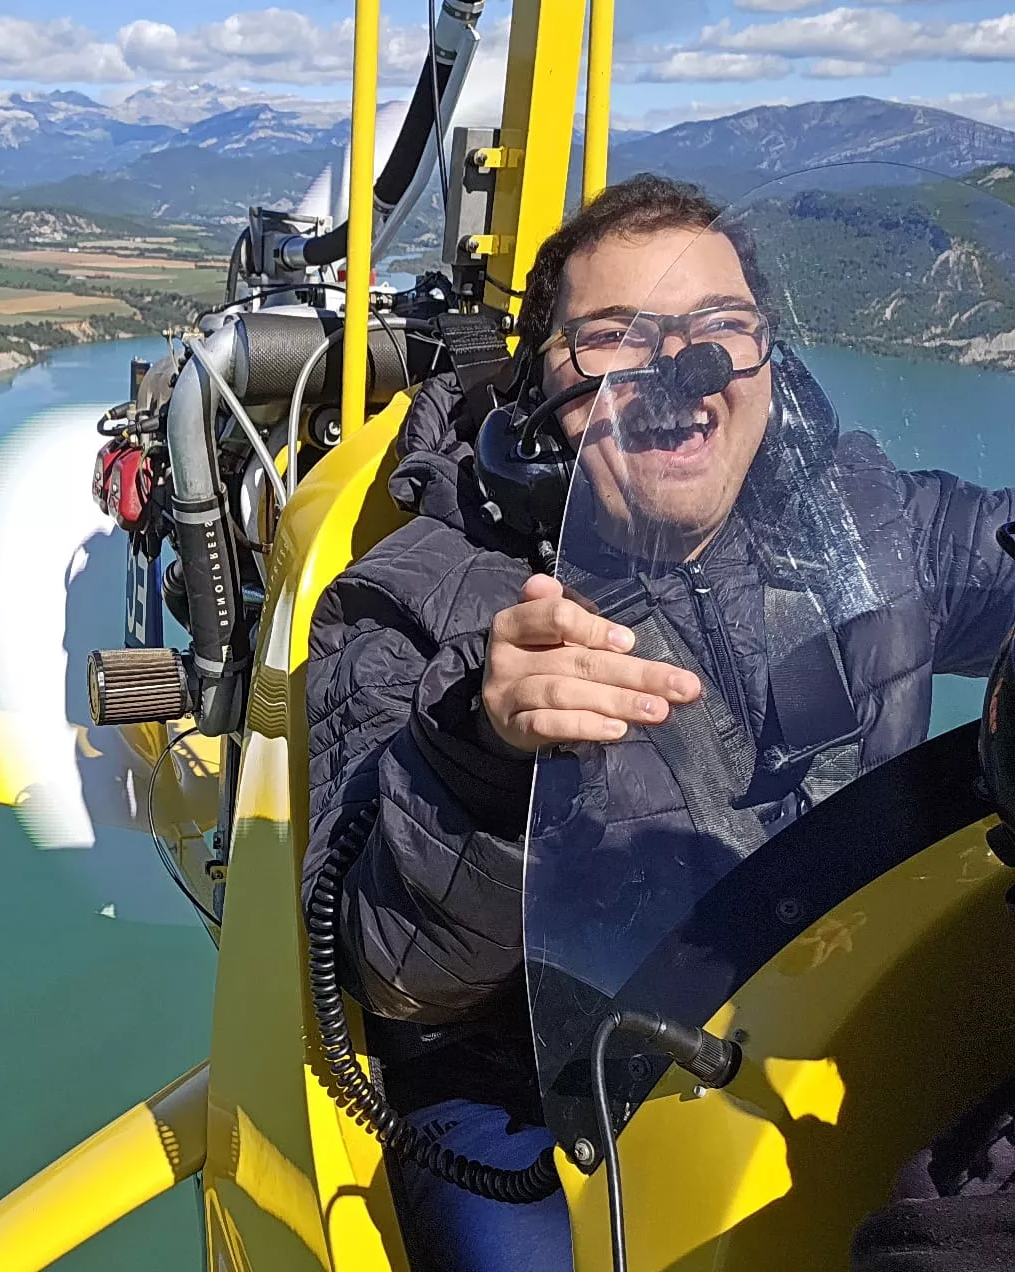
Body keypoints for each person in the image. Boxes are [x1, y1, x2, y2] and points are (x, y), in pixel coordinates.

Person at [302, 172, 1015, 1271]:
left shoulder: (861, 517)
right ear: (533, 402)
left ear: (768, 367)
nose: (677, 371)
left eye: (718, 327)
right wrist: (480, 761)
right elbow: (394, 973)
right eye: (610, 340)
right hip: (553, 1088)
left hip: (835, 988)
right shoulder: (412, 604)